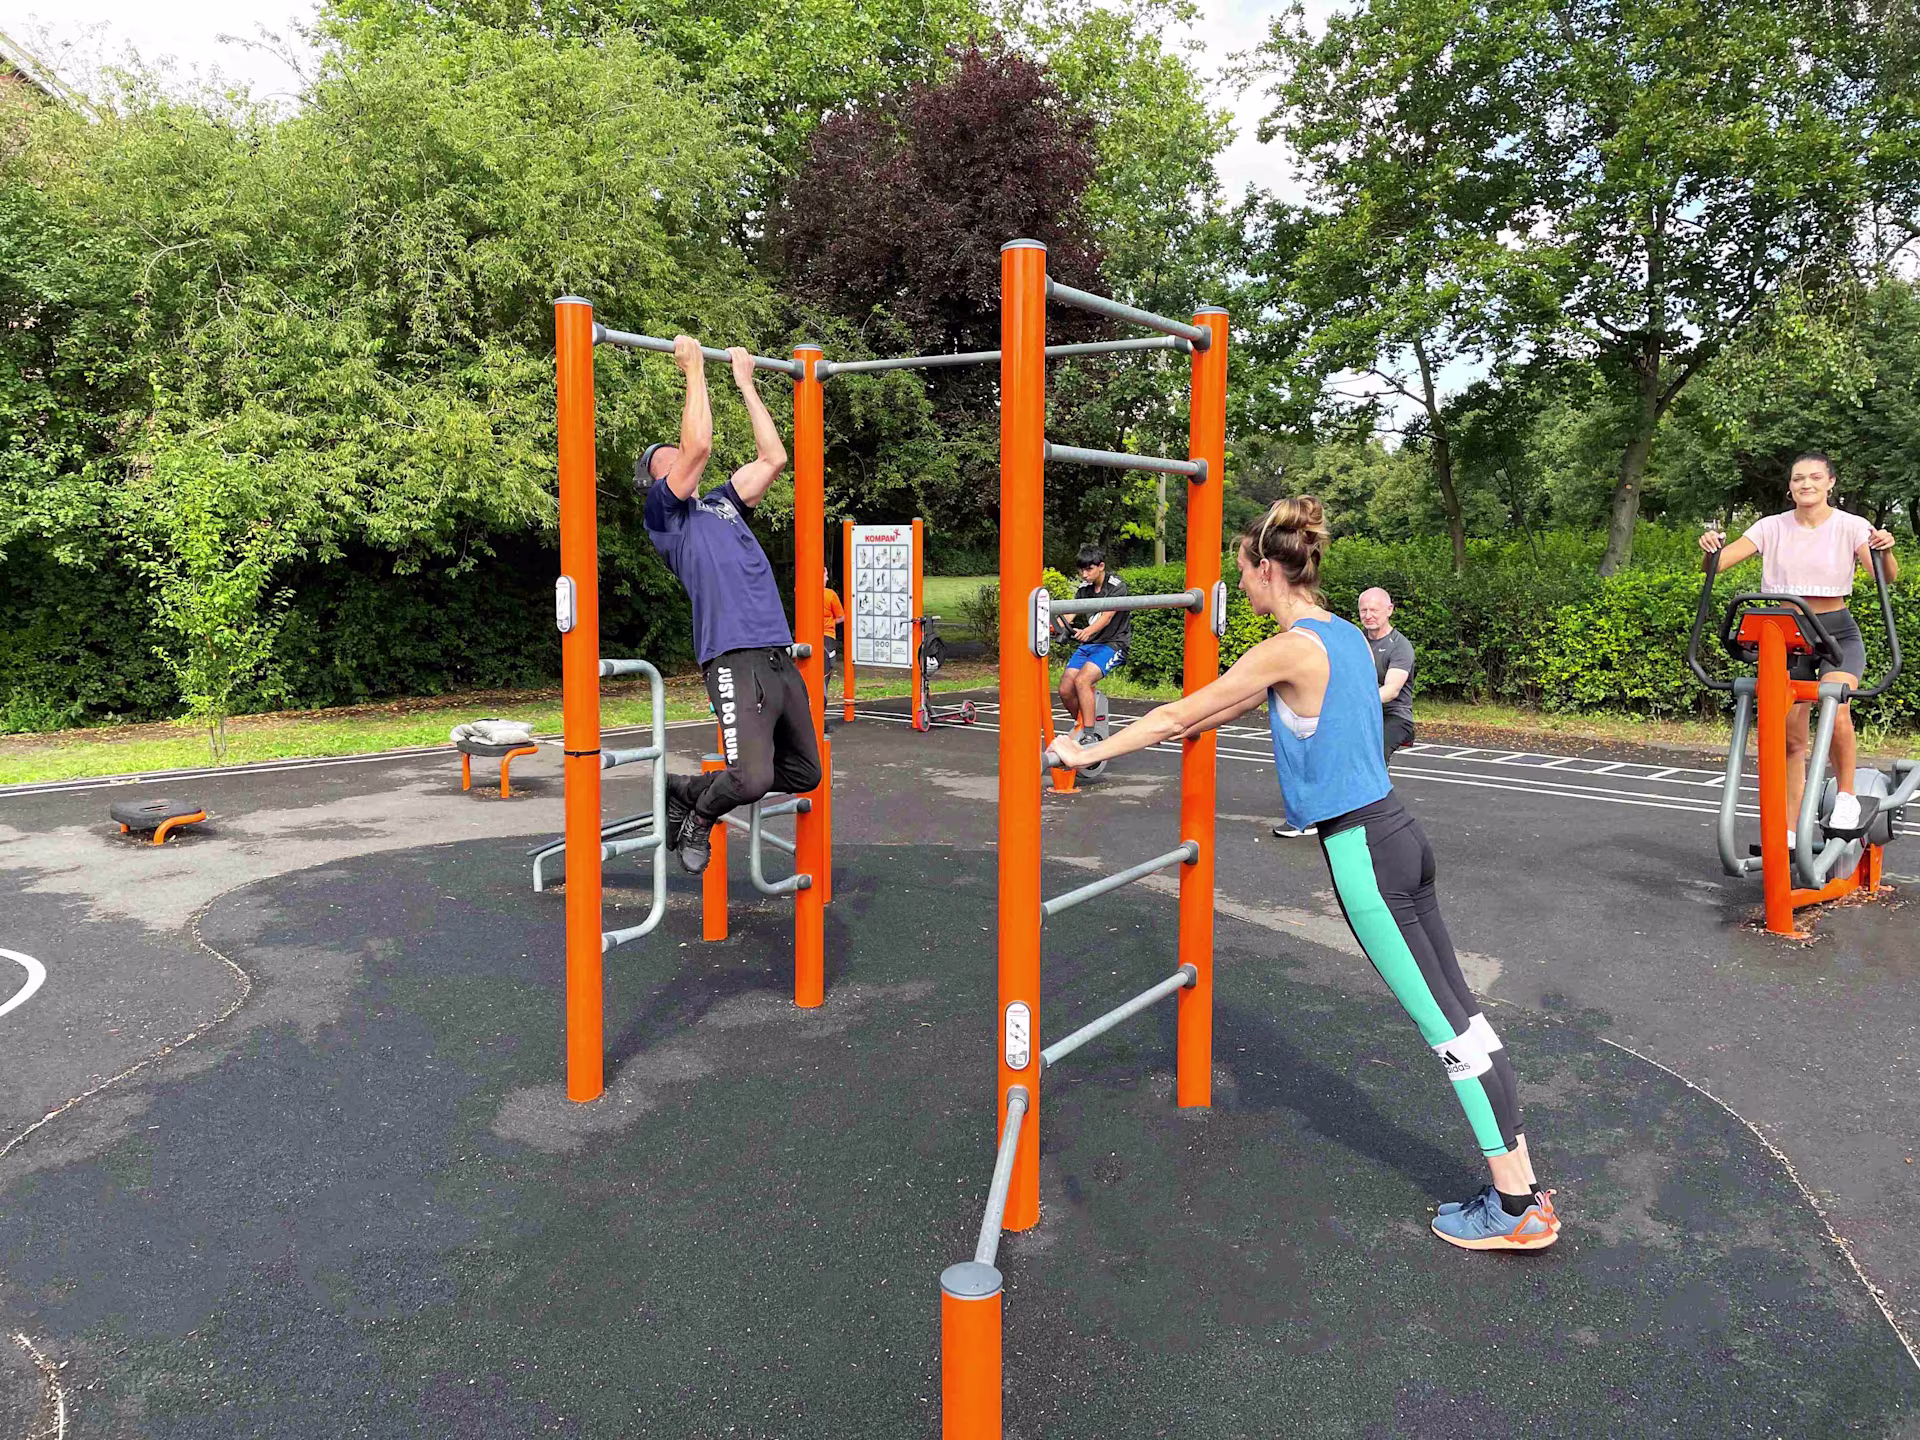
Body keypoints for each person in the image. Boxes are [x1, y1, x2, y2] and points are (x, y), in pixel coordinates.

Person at [1047, 496, 1560, 1251]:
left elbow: (1178, 714)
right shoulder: (1341, 634)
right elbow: (1222, 709)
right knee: (1465, 1018)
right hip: (1400, 837)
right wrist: (1174, 724)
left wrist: (1085, 749)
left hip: (1364, 856)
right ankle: (1523, 1186)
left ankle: (1514, 1209)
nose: (1240, 586)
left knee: (1447, 1032)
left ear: (1263, 570)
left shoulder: (1286, 646)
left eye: (1242, 572)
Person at [642, 337, 821, 874]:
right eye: (662, 459)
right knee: (750, 778)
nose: (674, 455)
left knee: (805, 771)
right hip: (731, 656)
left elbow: (775, 457)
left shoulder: (722, 502)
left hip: (776, 652)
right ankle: (701, 813)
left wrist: (745, 384)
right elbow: (696, 447)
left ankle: (689, 790)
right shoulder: (664, 516)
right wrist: (694, 371)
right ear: (657, 479)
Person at [1700, 452, 1898, 847]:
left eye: (1814, 478)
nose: (1805, 484)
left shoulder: (1851, 526)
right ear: (1789, 486)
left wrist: (1885, 549)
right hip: (1787, 638)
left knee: (1835, 708)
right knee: (1791, 740)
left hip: (1837, 634)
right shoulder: (1771, 527)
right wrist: (1709, 548)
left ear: (1830, 483)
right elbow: (1716, 566)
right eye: (1797, 479)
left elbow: (1884, 577)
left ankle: (1845, 797)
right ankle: (1790, 829)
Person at [1058, 544, 1129, 750]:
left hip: (1113, 644)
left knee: (1082, 680)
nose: (1084, 574)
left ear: (1101, 566)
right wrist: (1058, 626)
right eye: (1081, 570)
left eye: (1089, 569)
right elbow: (1070, 614)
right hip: (1090, 645)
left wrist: (1087, 631)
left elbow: (1106, 617)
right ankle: (1081, 723)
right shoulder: (1083, 589)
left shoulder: (1116, 586)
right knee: (1065, 689)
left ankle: (1090, 735)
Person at [1359, 587, 1417, 761]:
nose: (1368, 615)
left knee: (1373, 755)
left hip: (1394, 715)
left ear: (1389, 610)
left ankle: (1378, 788)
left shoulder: (1400, 646)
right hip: (1364, 713)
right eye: (1364, 610)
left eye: (1374, 610)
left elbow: (1391, 690)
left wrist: (1357, 702)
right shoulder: (1356, 640)